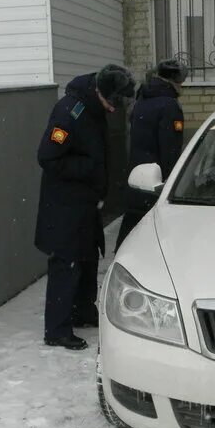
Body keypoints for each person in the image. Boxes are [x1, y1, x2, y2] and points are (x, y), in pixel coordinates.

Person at [35, 64, 135, 350]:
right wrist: (88, 168)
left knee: (87, 258)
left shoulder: (93, 108)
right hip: (64, 205)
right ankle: (56, 330)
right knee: (66, 263)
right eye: (114, 102)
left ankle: (82, 312)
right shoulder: (70, 112)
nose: (115, 109)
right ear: (102, 92)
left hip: (85, 202)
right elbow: (47, 157)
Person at [116, 59, 188, 249]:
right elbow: (170, 148)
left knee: (133, 223)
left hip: (137, 173)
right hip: (156, 178)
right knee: (154, 231)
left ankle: (123, 250)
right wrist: (171, 182)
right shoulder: (169, 105)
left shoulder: (143, 98)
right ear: (175, 80)